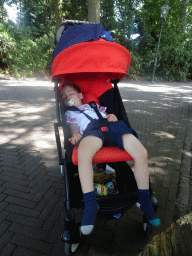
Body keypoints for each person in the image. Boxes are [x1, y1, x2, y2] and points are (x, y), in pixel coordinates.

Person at [61, 83, 160, 235]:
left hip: (113, 128)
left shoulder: (94, 105)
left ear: (81, 95)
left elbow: (107, 116)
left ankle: (144, 199)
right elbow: (74, 128)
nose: (68, 97)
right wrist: (75, 135)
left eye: (71, 93)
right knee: (84, 154)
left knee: (141, 153)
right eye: (65, 96)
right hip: (92, 132)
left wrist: (111, 116)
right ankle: (90, 203)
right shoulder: (71, 114)